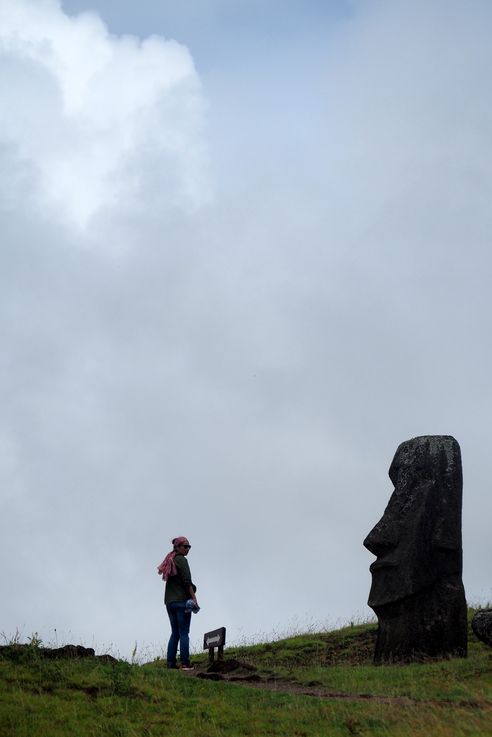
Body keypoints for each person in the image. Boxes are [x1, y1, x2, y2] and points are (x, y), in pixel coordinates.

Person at [157, 536, 199, 670]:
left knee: (174, 633)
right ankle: (185, 663)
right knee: (184, 633)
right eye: (186, 546)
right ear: (178, 547)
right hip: (182, 602)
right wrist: (194, 599)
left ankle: (170, 663)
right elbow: (187, 581)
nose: (188, 549)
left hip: (169, 602)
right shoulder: (181, 559)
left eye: (189, 547)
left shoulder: (170, 559)